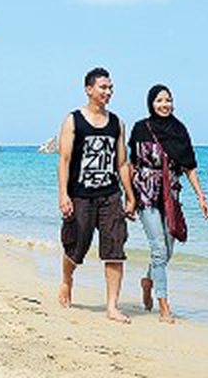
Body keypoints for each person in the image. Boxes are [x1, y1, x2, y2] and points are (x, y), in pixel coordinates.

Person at [57, 67, 136, 323]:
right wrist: (63, 195)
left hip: (110, 195)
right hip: (80, 195)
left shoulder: (117, 123)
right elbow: (65, 160)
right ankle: (67, 279)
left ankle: (112, 306)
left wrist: (130, 195)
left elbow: (122, 163)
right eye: (103, 87)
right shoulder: (73, 120)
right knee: (76, 246)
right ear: (89, 89)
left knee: (115, 249)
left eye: (110, 88)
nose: (108, 92)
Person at [128, 84, 208, 323]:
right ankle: (164, 306)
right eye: (159, 100)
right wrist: (130, 199)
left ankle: (147, 281)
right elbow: (132, 164)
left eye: (168, 100)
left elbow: (189, 167)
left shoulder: (179, 130)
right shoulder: (140, 128)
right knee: (158, 249)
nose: (164, 105)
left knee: (168, 250)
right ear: (151, 103)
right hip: (146, 194)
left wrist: (201, 197)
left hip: (170, 196)